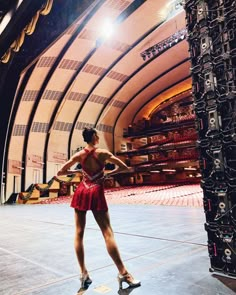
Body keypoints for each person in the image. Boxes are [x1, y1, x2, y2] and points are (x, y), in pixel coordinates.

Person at [57, 127, 141, 290]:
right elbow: (124, 167)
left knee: (79, 233)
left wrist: (80, 172)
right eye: (97, 135)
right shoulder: (102, 153)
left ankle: (83, 274)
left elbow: (61, 171)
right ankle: (123, 273)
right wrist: (108, 174)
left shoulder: (79, 155)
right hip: (95, 190)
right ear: (94, 137)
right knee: (107, 233)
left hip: (82, 190)